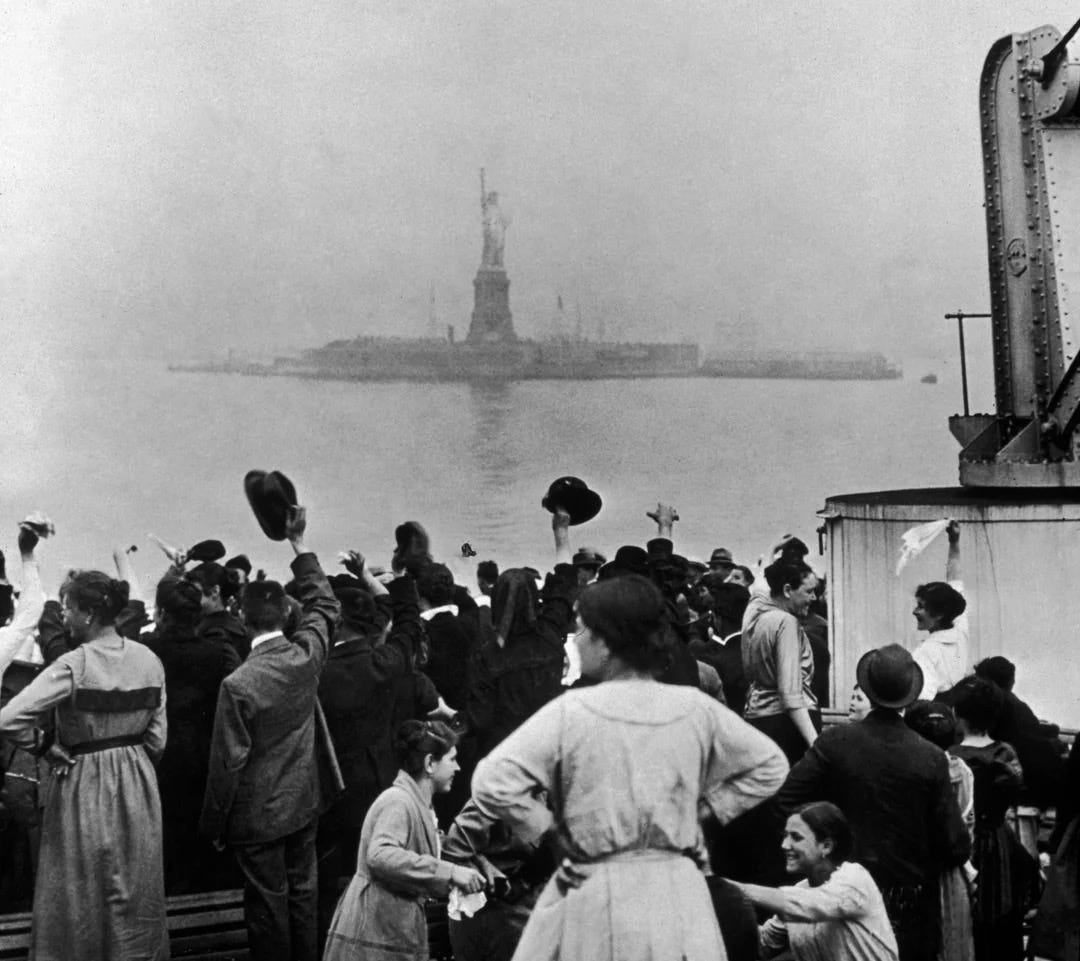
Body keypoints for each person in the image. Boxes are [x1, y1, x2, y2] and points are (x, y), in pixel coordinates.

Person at [471, 574, 789, 961]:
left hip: (594, 884)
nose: (577, 639)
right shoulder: (694, 707)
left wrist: (549, 831)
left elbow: (491, 780)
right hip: (674, 885)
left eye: (583, 630)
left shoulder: (571, 711)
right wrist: (710, 810)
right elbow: (771, 765)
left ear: (605, 644)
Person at [0, 569, 169, 961]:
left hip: (83, 779)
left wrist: (43, 746)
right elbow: (158, 739)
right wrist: (131, 763)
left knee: (79, 892)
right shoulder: (149, 660)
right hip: (138, 782)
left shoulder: (74, 664)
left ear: (89, 614)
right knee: (133, 888)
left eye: (68, 609)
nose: (64, 617)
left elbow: (9, 719)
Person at [200, 506, 343, 961]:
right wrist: (298, 543)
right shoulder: (306, 656)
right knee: (304, 893)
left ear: (243, 622)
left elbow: (228, 763)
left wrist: (213, 825)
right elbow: (325, 604)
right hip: (305, 801)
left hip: (258, 817)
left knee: (266, 906)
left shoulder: (238, 684)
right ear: (287, 614)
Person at [776, 644, 970, 961]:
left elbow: (786, 799)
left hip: (841, 888)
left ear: (868, 687)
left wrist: (824, 847)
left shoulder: (835, 743)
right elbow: (955, 844)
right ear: (909, 694)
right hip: (909, 899)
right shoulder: (931, 757)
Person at [323, 720, 485, 961]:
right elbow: (380, 855)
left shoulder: (417, 803)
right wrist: (449, 872)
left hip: (391, 925)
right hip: (374, 928)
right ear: (430, 763)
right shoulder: (398, 800)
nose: (458, 768)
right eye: (452, 759)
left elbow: (425, 849)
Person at [144, 572, 240, 894]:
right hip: (204, 754)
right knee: (199, 842)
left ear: (160, 613)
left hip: (160, 755)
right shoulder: (215, 651)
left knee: (164, 838)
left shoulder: (148, 649)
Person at [467, 508, 578, 755]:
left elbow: (481, 719)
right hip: (551, 746)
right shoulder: (549, 634)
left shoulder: (487, 656)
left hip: (507, 753)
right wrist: (561, 533)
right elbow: (563, 586)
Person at [731, 801, 898, 961]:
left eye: (796, 837)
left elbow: (808, 905)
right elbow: (762, 946)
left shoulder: (854, 879)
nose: (784, 844)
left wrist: (728, 889)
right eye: (785, 836)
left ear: (826, 846)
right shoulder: (800, 893)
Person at [948, 676, 1037, 961]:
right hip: (999, 843)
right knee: (1002, 915)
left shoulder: (950, 758)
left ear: (957, 715)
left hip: (962, 843)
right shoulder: (1004, 754)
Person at [742, 558, 820, 764]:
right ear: (787, 590)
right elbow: (791, 695)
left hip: (757, 719)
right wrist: (817, 746)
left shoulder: (756, 612)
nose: (814, 598)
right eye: (809, 591)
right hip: (790, 727)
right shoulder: (786, 622)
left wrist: (771, 553)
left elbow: (758, 590)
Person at [912, 521, 968, 700]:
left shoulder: (925, 652)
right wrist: (954, 543)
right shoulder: (960, 629)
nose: (914, 611)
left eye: (921, 607)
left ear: (939, 615)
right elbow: (955, 580)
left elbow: (923, 697)